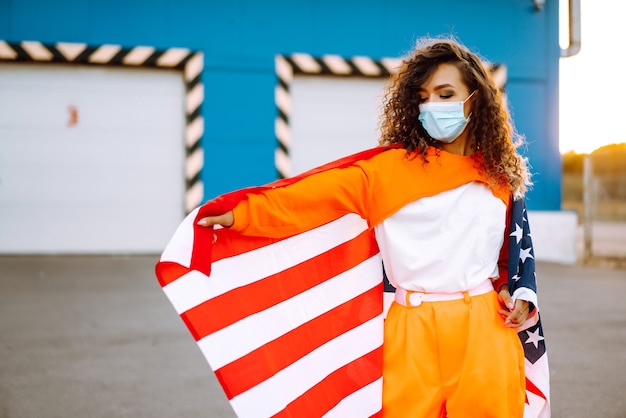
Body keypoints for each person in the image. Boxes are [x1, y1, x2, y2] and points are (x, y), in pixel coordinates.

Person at [196, 37, 536, 417]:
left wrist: (517, 292)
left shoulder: (500, 178)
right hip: (410, 329)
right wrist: (239, 214)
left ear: (476, 98)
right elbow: (308, 197)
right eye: (424, 98)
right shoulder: (386, 172)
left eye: (445, 94)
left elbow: (510, 254)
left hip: (484, 328)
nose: (433, 107)